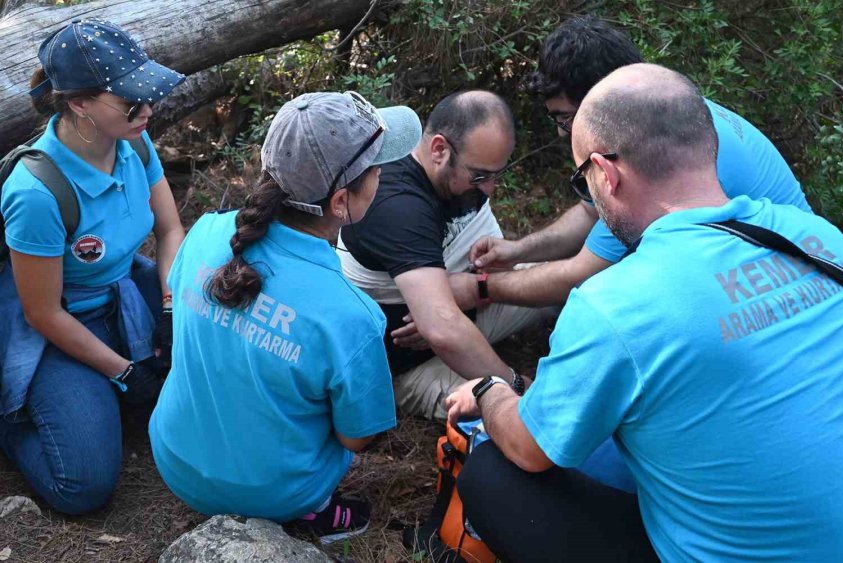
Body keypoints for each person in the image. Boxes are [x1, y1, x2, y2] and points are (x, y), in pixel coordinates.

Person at [445, 63, 843, 562]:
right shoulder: (817, 238)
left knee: (490, 475)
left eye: (583, 181)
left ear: (607, 173)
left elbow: (530, 450)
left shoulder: (617, 303)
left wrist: (491, 391)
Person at [149, 91, 422, 543]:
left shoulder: (204, 232)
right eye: (376, 167)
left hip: (175, 459)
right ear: (340, 202)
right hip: (272, 495)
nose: (382, 174)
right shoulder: (352, 316)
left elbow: (182, 310)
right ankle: (316, 513)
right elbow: (356, 439)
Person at [454, 15, 812, 308]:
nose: (564, 134)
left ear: (601, 100)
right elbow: (592, 212)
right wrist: (518, 251)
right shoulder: (667, 110)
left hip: (785, 292)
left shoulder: (653, 152)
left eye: (566, 118)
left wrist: (480, 289)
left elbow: (582, 274)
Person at [0, 19, 185, 514]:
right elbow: (43, 313)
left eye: (149, 95)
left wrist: (169, 305)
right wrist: (123, 370)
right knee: (83, 486)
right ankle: (12, 421)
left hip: (125, 291)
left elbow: (169, 232)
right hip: (61, 322)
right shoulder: (37, 192)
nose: (147, 110)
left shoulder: (135, 144)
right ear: (79, 102)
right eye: (131, 100)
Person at [338, 91, 551, 421]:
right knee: (519, 417)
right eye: (480, 176)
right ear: (439, 150)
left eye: (497, 174)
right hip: (410, 363)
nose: (490, 188)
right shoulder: (399, 206)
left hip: (468, 314)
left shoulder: (456, 179)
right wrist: (512, 385)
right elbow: (441, 328)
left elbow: (454, 304)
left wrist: (468, 292)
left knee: (567, 280)